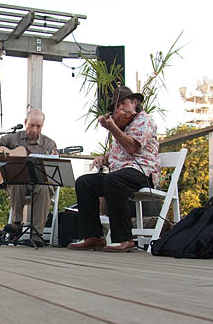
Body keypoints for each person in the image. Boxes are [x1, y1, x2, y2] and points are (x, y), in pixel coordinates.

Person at [69, 86, 161, 252]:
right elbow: (115, 156)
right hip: (119, 174)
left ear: (135, 103)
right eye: (116, 106)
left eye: (123, 104)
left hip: (142, 173)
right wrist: (103, 159)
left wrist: (113, 128)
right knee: (85, 182)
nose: (119, 109)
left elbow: (132, 147)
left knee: (114, 180)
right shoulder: (121, 128)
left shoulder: (144, 121)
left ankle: (124, 238)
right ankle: (93, 236)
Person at [0, 108, 58, 247]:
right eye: (32, 125)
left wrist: (53, 159)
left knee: (44, 188)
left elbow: (52, 170)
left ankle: (37, 234)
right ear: (25, 122)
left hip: (40, 181)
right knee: (16, 180)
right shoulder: (13, 138)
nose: (35, 130)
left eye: (39, 126)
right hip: (19, 181)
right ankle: (16, 224)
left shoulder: (49, 144)